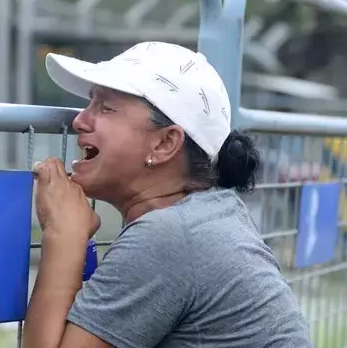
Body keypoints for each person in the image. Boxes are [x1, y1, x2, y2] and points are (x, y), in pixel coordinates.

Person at [22, 42, 312, 348]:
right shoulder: (211, 215)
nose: (79, 120)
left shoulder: (168, 237)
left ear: (165, 144)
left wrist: (63, 235)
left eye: (105, 107)